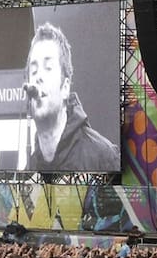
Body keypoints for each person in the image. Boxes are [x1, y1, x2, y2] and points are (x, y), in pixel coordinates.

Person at [24, 22, 121, 172]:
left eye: (48, 68)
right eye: (34, 70)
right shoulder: (29, 169)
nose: (38, 77)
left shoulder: (103, 158)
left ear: (65, 88)